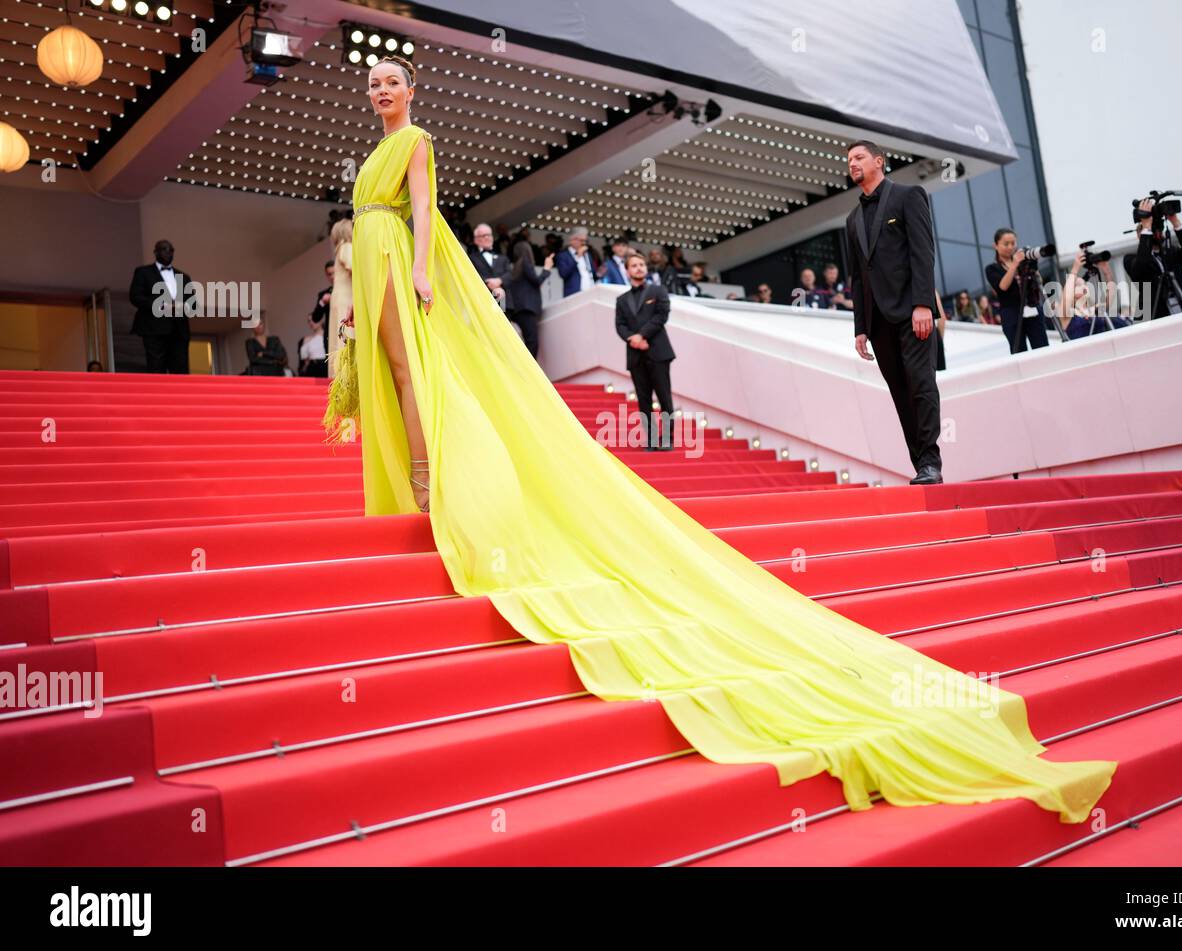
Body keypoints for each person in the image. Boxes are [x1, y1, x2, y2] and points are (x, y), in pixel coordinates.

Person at [319, 54, 1116, 826]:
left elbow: (423, 211)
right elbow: (359, 231)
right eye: (373, 82)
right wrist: (350, 287)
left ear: (412, 89)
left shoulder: (415, 144)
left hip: (408, 260)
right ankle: (418, 478)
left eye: (392, 80)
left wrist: (423, 268)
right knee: (392, 376)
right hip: (374, 262)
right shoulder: (367, 158)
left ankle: (433, 478)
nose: (380, 89)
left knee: (415, 370)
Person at [843, 140, 943, 485]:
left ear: (879, 161)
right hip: (877, 322)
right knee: (900, 393)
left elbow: (922, 252)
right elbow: (857, 277)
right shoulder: (852, 218)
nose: (853, 163)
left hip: (912, 312)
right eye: (849, 160)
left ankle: (931, 461)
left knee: (921, 384)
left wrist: (922, 304)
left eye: (859, 157)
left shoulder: (908, 195)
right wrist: (860, 327)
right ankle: (920, 466)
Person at [615, 251, 676, 450]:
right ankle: (650, 440)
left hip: (658, 352)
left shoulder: (658, 291)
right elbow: (620, 325)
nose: (639, 268)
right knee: (643, 400)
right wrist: (633, 339)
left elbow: (661, 316)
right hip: (636, 355)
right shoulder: (622, 300)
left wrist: (642, 335)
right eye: (634, 265)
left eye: (641, 264)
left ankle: (666, 439)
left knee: (664, 398)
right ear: (627, 271)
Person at [1123, 197, 1182, 319]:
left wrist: (1175, 221)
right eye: (1149, 231)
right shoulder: (1130, 259)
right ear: (1139, 235)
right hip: (1158, 313)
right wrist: (1146, 226)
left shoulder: (1170, 251)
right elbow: (1142, 265)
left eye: (1157, 229)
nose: (1155, 233)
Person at [129, 239, 194, 374]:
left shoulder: (184, 277)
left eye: (171, 250)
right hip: (154, 328)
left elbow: (192, 304)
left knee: (180, 370)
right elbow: (135, 297)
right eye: (164, 249)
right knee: (156, 368)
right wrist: (162, 305)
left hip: (179, 330)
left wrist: (182, 306)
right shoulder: (143, 272)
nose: (168, 252)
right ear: (156, 252)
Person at [986, 229, 1050, 354]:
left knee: (1042, 347)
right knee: (1019, 351)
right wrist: (1015, 264)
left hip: (1032, 307)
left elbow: (1039, 281)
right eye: (1006, 244)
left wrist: (1032, 267)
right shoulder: (992, 268)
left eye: (1013, 243)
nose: (1010, 247)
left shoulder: (1023, 262)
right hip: (1011, 312)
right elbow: (1002, 287)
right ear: (996, 245)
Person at [506, 230, 554, 359]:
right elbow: (537, 281)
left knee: (527, 341)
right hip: (527, 308)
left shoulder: (515, 267)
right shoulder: (526, 263)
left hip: (519, 309)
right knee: (532, 342)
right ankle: (530, 374)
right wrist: (547, 268)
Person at [1061, 250, 1129, 339]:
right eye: (1077, 285)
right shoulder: (1067, 315)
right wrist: (1075, 269)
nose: (1083, 287)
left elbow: (1111, 298)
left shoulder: (1095, 309)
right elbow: (1066, 298)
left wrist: (1107, 272)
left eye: (1084, 284)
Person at [326, 218, 353, 376]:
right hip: (347, 298)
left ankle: (339, 374)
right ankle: (347, 374)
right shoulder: (346, 247)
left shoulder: (339, 249)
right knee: (347, 335)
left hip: (339, 297)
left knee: (339, 335)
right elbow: (355, 268)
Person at [467, 222, 511, 309]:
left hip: (503, 301)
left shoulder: (503, 258)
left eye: (489, 235)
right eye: (483, 235)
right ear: (476, 240)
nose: (487, 237)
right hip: (481, 301)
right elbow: (470, 275)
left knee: (502, 322)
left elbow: (510, 274)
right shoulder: (471, 258)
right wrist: (487, 282)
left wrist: (499, 280)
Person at [555, 227, 597, 296]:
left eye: (585, 241)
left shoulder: (587, 255)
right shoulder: (563, 255)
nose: (584, 243)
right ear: (572, 240)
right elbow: (563, 274)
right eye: (581, 240)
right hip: (574, 293)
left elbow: (592, 273)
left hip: (590, 292)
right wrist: (577, 257)